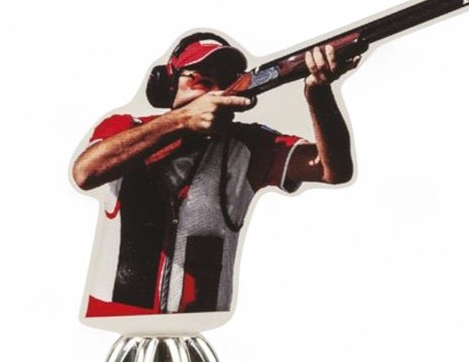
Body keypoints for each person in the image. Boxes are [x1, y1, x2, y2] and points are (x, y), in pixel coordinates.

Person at [73, 33, 361, 319]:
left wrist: (319, 95)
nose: (213, 91)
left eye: (224, 82)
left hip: (198, 324)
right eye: (200, 79)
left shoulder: (250, 145)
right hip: (115, 320)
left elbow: (333, 170)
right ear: (169, 83)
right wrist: (183, 120)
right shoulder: (127, 129)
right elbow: (86, 172)